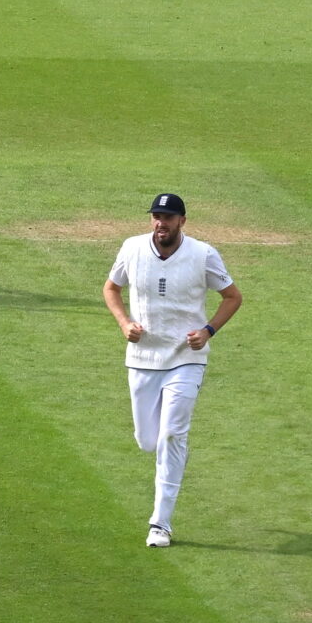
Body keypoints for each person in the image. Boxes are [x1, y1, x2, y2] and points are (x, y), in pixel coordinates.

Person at [103, 194, 243, 548]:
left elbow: (232, 296)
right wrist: (124, 323)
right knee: (148, 441)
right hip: (143, 359)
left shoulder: (203, 254)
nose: (160, 223)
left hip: (186, 359)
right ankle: (174, 452)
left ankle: (160, 524)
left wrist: (208, 331)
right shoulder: (132, 248)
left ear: (182, 221)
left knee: (171, 436)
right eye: (156, 216)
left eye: (167, 217)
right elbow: (111, 288)